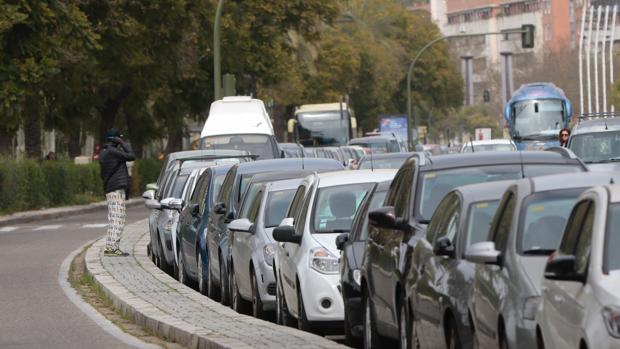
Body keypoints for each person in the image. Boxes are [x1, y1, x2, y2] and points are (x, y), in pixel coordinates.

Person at [99, 128, 136, 256]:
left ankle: (110, 247)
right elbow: (131, 156)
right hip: (116, 188)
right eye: (119, 138)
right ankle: (113, 248)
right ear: (115, 139)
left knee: (113, 218)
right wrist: (123, 142)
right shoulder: (113, 152)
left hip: (111, 188)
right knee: (118, 218)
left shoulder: (104, 151)